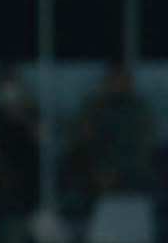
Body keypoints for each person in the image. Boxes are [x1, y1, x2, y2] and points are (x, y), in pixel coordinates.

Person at [66, 61, 156, 196]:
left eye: (124, 80)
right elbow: (82, 134)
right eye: (114, 80)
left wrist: (114, 168)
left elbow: (144, 142)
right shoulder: (95, 106)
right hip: (97, 165)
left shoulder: (138, 109)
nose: (119, 84)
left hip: (129, 166)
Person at [0, 66, 40, 218]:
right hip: (0, 173)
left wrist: (24, 116)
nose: (9, 92)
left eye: (13, 85)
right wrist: (4, 172)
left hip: (31, 172)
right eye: (4, 86)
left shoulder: (32, 112)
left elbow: (43, 141)